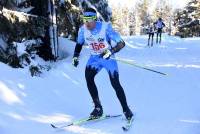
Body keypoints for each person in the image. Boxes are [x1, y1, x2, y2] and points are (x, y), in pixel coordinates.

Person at [72, 8, 133, 120]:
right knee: (88, 78)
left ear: (95, 19)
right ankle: (98, 108)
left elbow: (121, 43)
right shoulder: (82, 30)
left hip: (108, 58)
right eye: (84, 19)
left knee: (115, 83)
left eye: (89, 19)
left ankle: (126, 110)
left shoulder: (105, 28)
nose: (87, 22)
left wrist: (111, 51)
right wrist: (75, 56)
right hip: (94, 58)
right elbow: (79, 43)